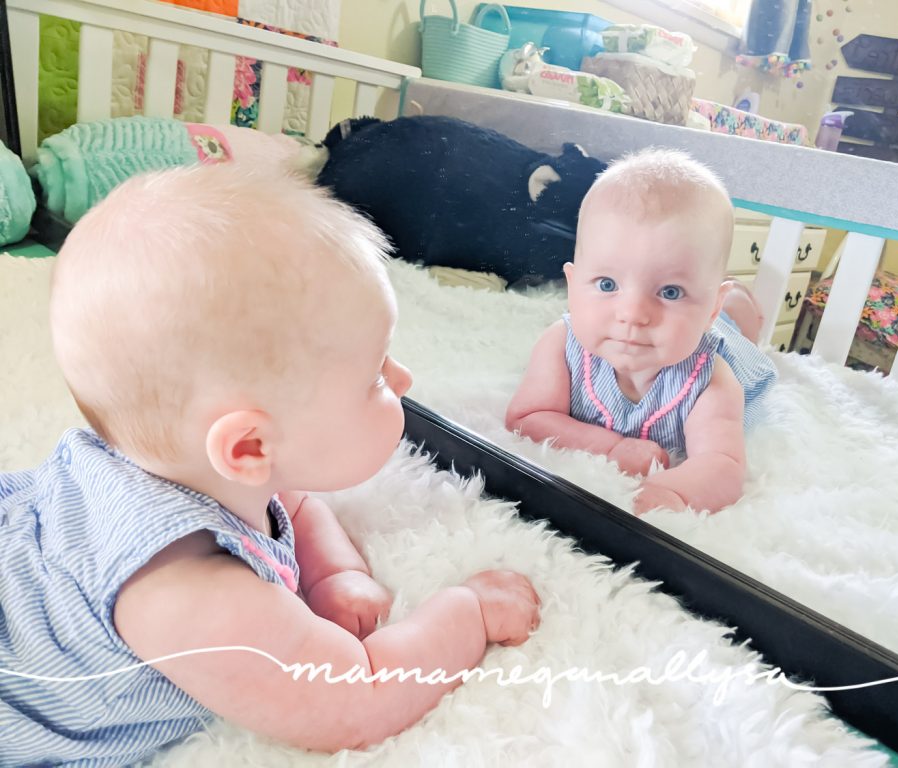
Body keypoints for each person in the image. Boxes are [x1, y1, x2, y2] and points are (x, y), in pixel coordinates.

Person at [0, 164, 541, 767]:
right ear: (250, 448)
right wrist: (469, 613)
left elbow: (292, 502)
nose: (404, 379)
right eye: (374, 376)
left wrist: (333, 575)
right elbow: (357, 700)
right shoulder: (192, 596)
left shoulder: (190, 467)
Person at [506, 148, 777, 515]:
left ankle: (736, 308)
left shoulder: (711, 378)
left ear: (709, 304)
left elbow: (722, 463)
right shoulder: (562, 343)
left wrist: (673, 492)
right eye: (606, 284)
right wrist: (610, 446)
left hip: (722, 337)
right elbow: (527, 417)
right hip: (700, 320)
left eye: (670, 292)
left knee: (740, 328)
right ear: (571, 285)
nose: (632, 315)